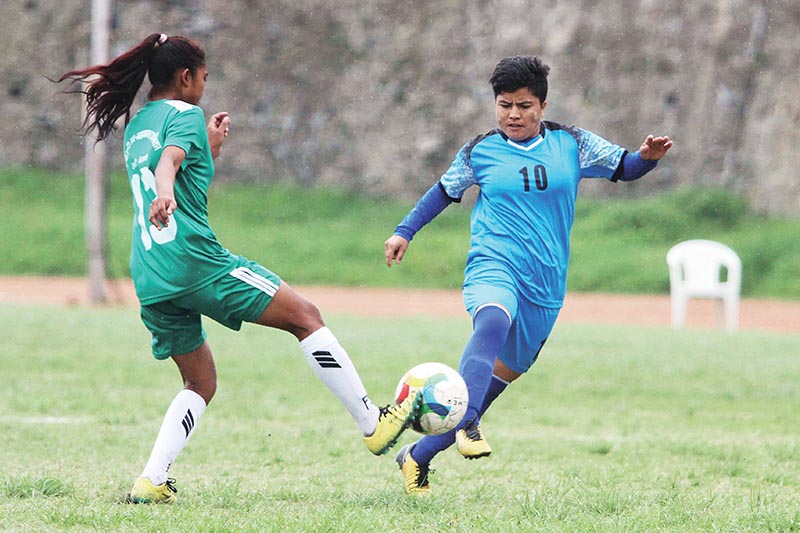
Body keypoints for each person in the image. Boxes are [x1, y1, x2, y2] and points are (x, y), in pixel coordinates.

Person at [56, 33, 420, 504]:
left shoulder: (140, 123)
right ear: (186, 77)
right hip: (195, 263)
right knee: (306, 316)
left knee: (199, 383)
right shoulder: (185, 115)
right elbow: (169, 165)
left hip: (150, 273)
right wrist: (167, 188)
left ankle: (151, 480)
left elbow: (179, 172)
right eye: (204, 77)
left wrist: (208, 150)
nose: (205, 86)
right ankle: (373, 423)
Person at [384, 55, 672, 495]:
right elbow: (443, 192)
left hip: (546, 282)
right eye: (504, 105)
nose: (513, 115)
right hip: (494, 263)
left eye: (523, 105)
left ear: (542, 105)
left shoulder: (572, 143)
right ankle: (469, 423)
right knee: (493, 320)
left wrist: (646, 158)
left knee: (495, 382)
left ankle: (417, 457)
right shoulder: (480, 151)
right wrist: (405, 231)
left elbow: (625, 168)